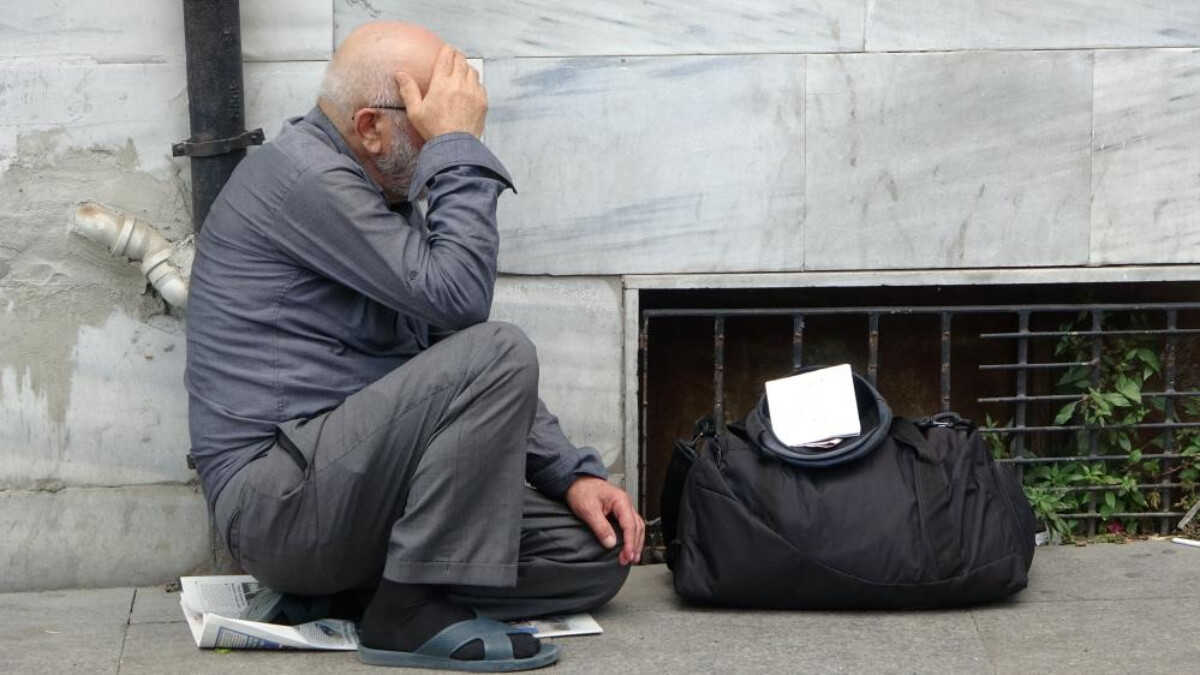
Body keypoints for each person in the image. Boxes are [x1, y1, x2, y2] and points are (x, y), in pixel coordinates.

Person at [184, 20, 643, 671]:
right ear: (371, 126)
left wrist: (569, 472)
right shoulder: (306, 179)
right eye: (431, 117)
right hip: (278, 502)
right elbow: (461, 302)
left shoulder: (372, 187)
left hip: (356, 491)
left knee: (590, 554)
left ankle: (368, 587)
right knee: (502, 350)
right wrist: (457, 148)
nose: (447, 134)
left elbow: (446, 337)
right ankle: (408, 610)